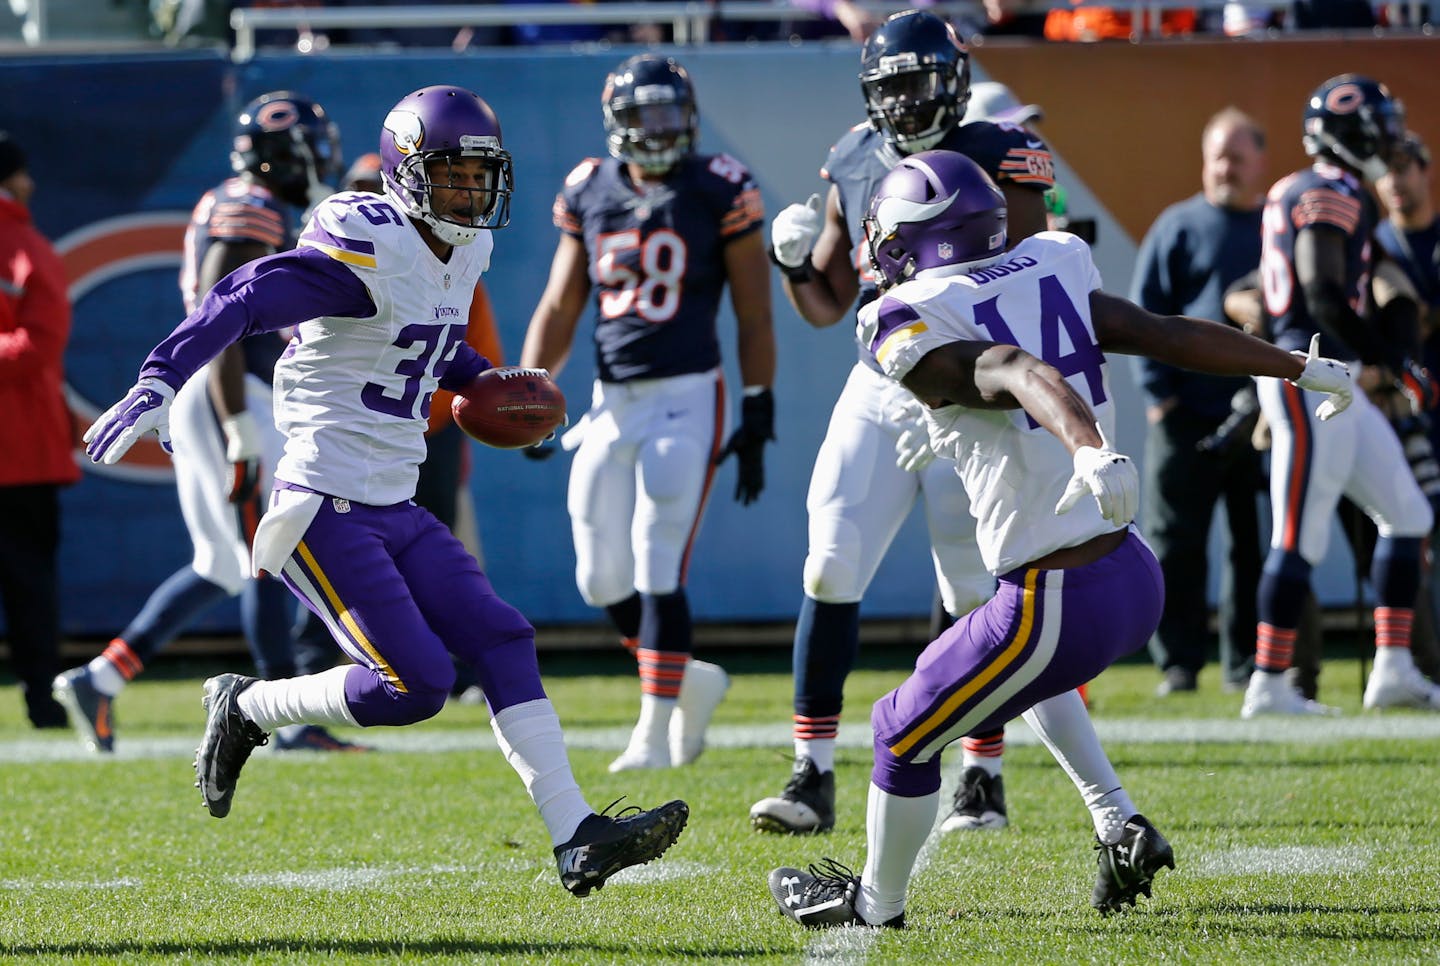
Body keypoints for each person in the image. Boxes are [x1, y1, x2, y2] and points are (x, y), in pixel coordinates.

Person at [80, 84, 688, 894]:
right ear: (405, 175)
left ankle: (576, 834)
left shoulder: (461, 248)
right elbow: (241, 297)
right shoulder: (367, 244)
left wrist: (491, 385)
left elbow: (428, 351)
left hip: (392, 501)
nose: (471, 193)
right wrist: (161, 380)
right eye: (453, 176)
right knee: (419, 686)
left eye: (482, 176)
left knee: (503, 637)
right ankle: (248, 708)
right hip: (321, 506)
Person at [766, 148, 1354, 928]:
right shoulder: (1049, 259)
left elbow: (1010, 365)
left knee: (899, 731)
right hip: (1129, 574)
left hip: (1052, 594)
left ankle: (876, 907)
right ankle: (1119, 823)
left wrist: (1086, 448)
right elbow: (1159, 332)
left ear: (917, 238)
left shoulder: (899, 314)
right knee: (1016, 678)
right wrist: (1293, 366)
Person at [753, 8, 1060, 837]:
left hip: (965, 388)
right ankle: (811, 772)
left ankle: (982, 776)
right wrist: (788, 265)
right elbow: (824, 302)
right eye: (889, 87)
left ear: (954, 81)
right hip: (882, 381)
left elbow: (1032, 269)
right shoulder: (854, 156)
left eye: (919, 84)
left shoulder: (999, 149)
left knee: (971, 584)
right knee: (829, 563)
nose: (904, 102)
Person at [53, 92, 365, 755]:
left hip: (224, 392)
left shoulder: (237, 199)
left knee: (223, 563)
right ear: (284, 154)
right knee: (269, 558)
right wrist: (238, 426)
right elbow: (226, 316)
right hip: (234, 392)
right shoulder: (253, 206)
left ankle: (101, 677)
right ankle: (287, 717)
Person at [518, 54, 776, 773]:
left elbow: (754, 313)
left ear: (690, 118)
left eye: (670, 113)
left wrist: (758, 405)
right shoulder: (589, 188)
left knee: (658, 556)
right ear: (617, 123)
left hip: (688, 393)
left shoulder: (718, 186)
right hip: (611, 399)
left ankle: (653, 731)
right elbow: (562, 303)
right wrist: (534, 391)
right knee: (599, 577)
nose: (658, 129)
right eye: (644, 114)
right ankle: (687, 678)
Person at [1241, 73, 1440, 717]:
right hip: (1313, 375)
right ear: (1353, 132)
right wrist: (1391, 357)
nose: (1387, 135)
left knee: (1408, 514)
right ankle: (1270, 683)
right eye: (1378, 123)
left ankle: (1394, 667)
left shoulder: (1320, 187)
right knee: (1299, 532)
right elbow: (1322, 291)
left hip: (1336, 378)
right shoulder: (1331, 190)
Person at [1131, 107, 1268, 697]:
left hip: (1262, 417)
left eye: (1238, 157)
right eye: (1218, 155)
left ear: (1260, 161)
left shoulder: (1276, 226)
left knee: (1253, 546)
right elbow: (1142, 312)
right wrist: (1160, 398)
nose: (1226, 168)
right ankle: (1178, 665)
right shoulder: (1178, 225)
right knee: (1175, 545)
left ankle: (1248, 667)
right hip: (1183, 414)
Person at [0, 130, 77, 731]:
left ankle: (42, 703)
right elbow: (39, 345)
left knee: (29, 586)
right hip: (22, 452)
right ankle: (41, 702)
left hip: (21, 450)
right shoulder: (25, 245)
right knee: (31, 588)